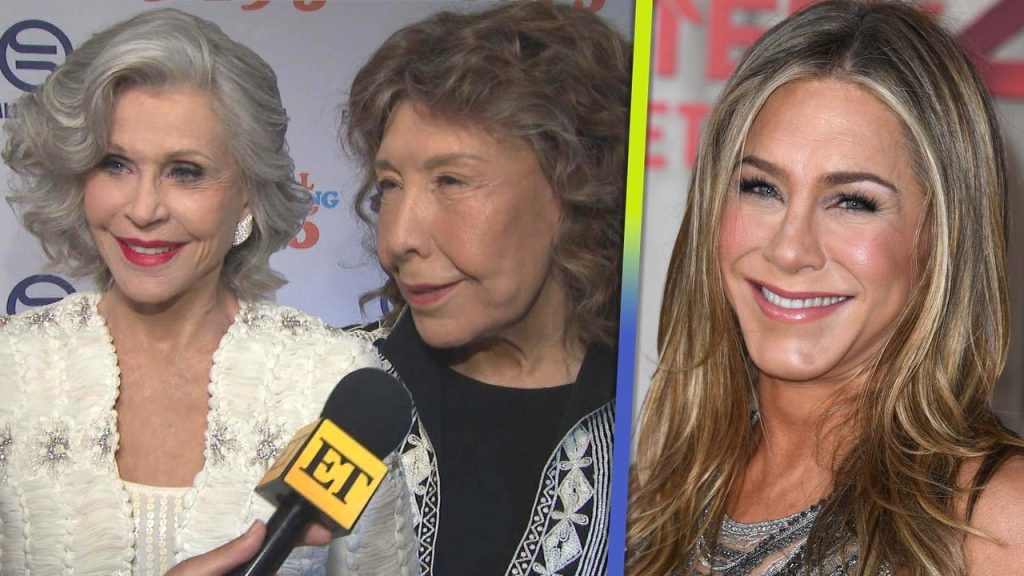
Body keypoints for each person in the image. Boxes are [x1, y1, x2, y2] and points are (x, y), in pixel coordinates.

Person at [626, 1, 1024, 574]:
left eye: (853, 202)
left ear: (944, 235)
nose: (789, 250)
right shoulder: (650, 498)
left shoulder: (993, 523)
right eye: (762, 188)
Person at [0, 9, 393, 575]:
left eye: (185, 171)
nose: (143, 209)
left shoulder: (328, 380)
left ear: (248, 194)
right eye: (115, 164)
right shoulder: (11, 370)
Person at [341, 2, 630, 575]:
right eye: (389, 186)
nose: (398, 238)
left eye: (451, 181)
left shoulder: (676, 417)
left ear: (578, 185)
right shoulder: (326, 382)